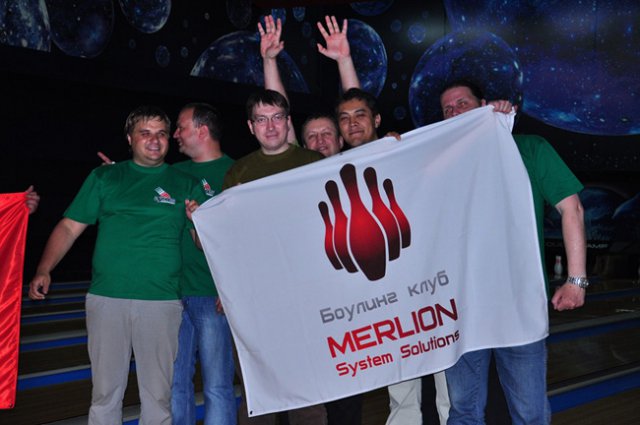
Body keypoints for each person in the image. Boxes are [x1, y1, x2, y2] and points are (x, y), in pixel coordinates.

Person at [28, 105, 203, 425]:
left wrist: (200, 221)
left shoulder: (185, 182)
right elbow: (69, 227)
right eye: (145, 133)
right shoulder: (105, 177)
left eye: (161, 134)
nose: (154, 140)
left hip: (161, 301)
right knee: (105, 395)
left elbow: (203, 244)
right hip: (107, 298)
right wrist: (44, 268)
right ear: (130, 139)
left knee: (158, 397)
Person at [439, 79, 587, 425]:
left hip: (518, 304)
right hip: (460, 307)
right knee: (463, 412)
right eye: (447, 109)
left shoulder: (530, 148)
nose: (455, 112)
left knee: (529, 414)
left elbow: (572, 209)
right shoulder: (439, 164)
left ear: (484, 105)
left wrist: (576, 280)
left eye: (463, 103)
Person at [224, 89, 325, 425]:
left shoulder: (313, 162)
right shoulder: (239, 172)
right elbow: (229, 238)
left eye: (277, 118)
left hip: (306, 295)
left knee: (308, 394)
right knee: (259, 394)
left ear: (288, 122)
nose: (270, 126)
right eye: (261, 120)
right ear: (250, 126)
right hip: (256, 298)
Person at [171, 103, 237, 425]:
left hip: (213, 296)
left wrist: (232, 289)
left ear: (202, 130)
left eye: (181, 127)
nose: (175, 134)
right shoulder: (173, 173)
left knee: (218, 386)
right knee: (175, 385)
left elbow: (246, 241)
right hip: (171, 295)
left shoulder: (236, 174)